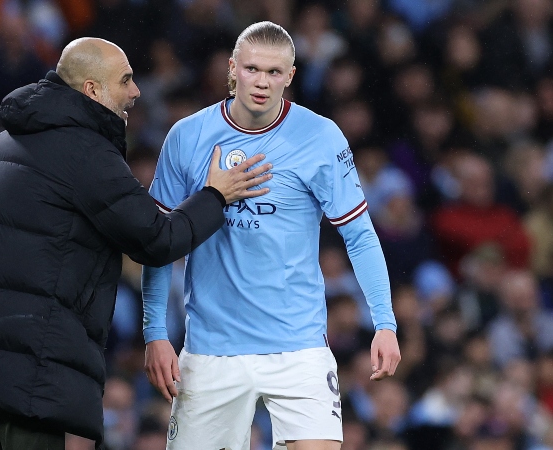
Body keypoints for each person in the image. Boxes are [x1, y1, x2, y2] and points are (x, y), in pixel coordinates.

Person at [0, 37, 273, 450]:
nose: (136, 92)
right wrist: (216, 195)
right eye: (126, 80)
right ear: (92, 90)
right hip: (27, 362)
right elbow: (157, 239)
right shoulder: (85, 153)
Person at [142, 21, 401, 450]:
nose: (262, 82)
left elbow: (360, 236)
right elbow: (159, 241)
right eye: (252, 69)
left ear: (291, 75)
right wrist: (155, 333)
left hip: (298, 346)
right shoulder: (187, 137)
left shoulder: (319, 136)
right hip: (212, 348)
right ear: (232, 68)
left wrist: (385, 323)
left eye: (274, 72)